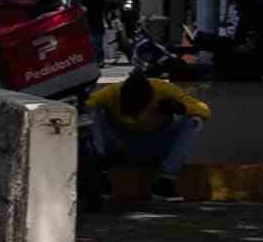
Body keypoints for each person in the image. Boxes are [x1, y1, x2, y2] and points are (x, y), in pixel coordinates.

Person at [80, 31, 212, 208]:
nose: (134, 115)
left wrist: (181, 108)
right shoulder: (112, 92)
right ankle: (100, 172)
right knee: (93, 112)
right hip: (119, 145)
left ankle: (165, 181)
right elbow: (84, 107)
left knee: (194, 121)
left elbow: (204, 110)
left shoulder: (164, 90)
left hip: (154, 144)